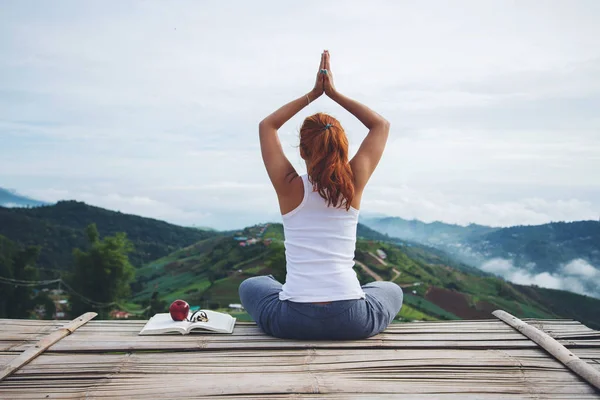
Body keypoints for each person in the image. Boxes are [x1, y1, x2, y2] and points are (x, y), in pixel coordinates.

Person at [239, 50, 403, 340]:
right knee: (390, 289)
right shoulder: (353, 184)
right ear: (342, 149)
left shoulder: (289, 186)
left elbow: (267, 125)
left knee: (252, 284)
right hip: (352, 320)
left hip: (292, 321)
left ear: (301, 151)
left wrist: (314, 93)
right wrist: (333, 93)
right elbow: (381, 125)